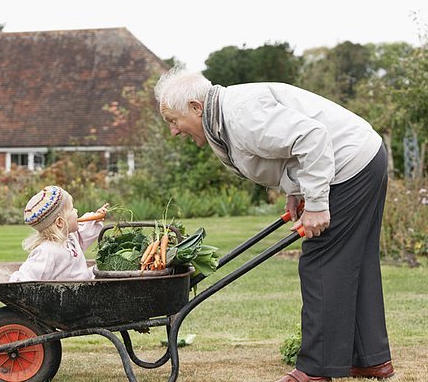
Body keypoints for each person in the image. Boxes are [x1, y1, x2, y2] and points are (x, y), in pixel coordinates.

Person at [154, 67, 394, 382]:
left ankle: (316, 369)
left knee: (322, 261)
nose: (173, 131)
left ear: (196, 108)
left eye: (174, 121)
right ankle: (371, 360)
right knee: (353, 261)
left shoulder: (241, 115)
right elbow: (289, 152)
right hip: (361, 157)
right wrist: (297, 191)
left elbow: (312, 137)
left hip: (349, 164)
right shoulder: (223, 117)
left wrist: (318, 203)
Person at [9, 185, 108, 282]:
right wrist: (18, 282)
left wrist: (94, 218)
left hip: (82, 285)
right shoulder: (47, 251)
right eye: (72, 209)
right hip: (68, 293)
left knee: (106, 269)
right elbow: (24, 279)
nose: (76, 211)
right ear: (60, 222)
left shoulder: (69, 238)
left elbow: (82, 235)